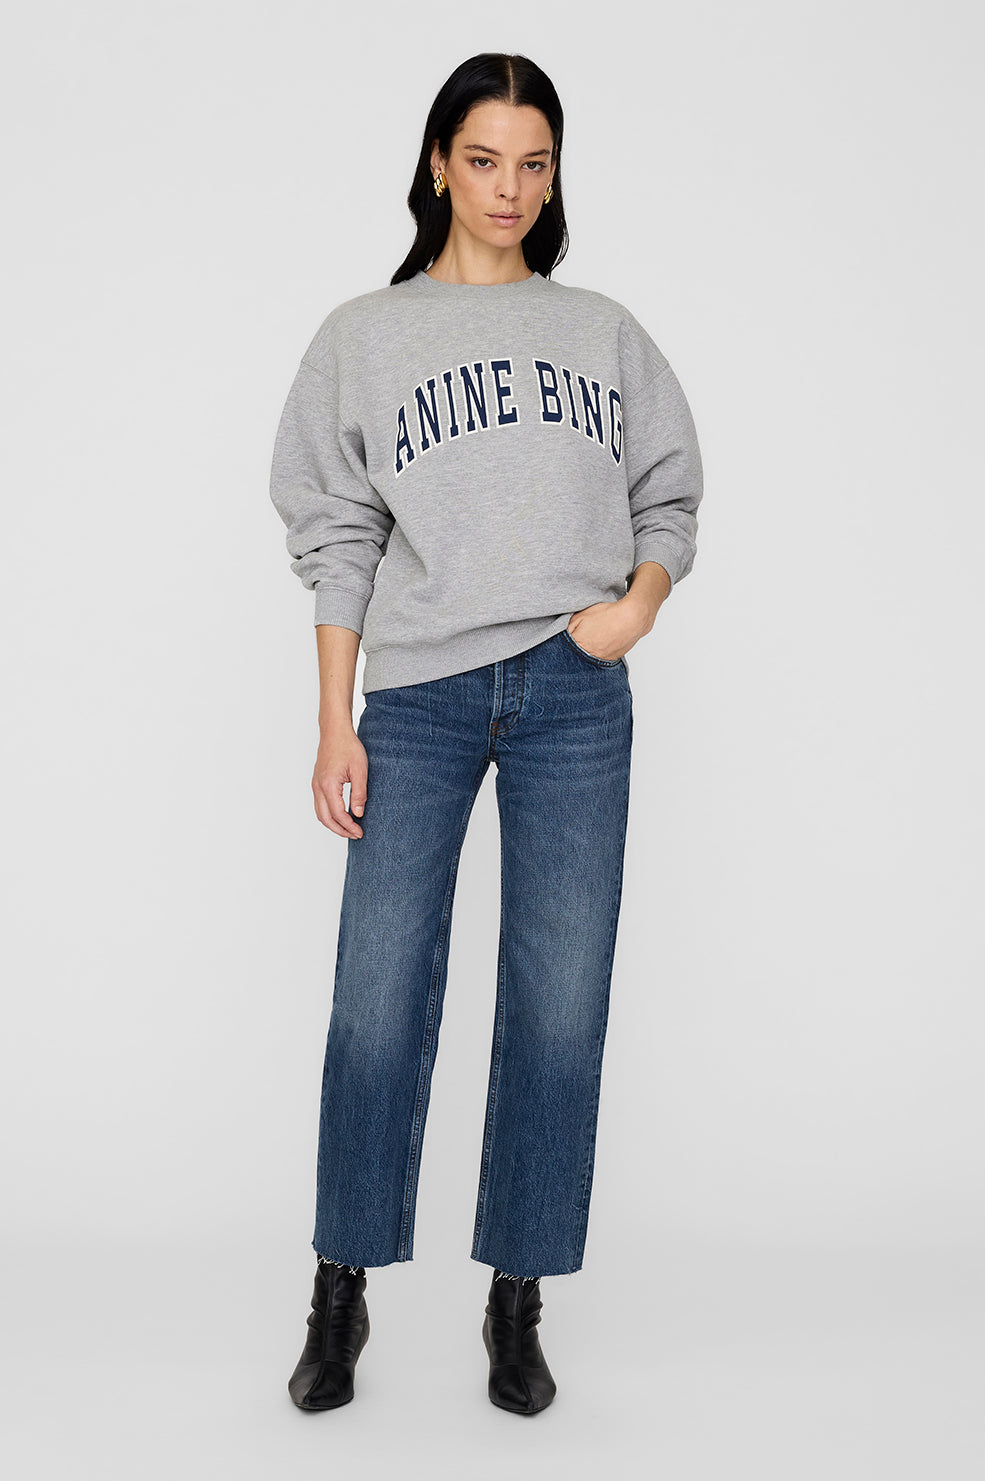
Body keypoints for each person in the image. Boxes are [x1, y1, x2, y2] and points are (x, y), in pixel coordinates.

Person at [268, 51, 703, 1417]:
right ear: (437, 164)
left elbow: (670, 496)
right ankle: (340, 1284)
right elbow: (339, 534)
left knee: (560, 998)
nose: (508, 188)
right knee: (378, 993)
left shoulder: (603, 332)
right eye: (483, 159)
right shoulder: (364, 336)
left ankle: (518, 1297)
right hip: (418, 694)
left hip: (575, 689)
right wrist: (334, 717)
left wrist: (635, 608)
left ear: (553, 175)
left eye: (534, 163)